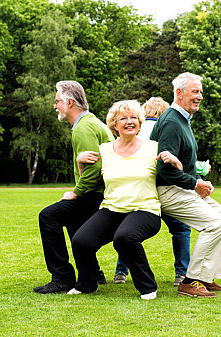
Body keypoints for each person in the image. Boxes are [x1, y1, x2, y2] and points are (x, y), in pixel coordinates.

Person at [68, 100, 181, 300]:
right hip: (112, 210)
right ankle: (87, 284)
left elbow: (174, 177)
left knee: (125, 237)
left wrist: (176, 163)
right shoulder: (104, 150)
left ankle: (148, 288)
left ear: (140, 122)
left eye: (134, 118)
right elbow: (91, 181)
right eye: (123, 118)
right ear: (114, 124)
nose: (130, 122)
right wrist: (80, 162)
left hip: (145, 211)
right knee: (81, 240)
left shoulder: (153, 148)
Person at [150, 73, 221, 298]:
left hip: (183, 188)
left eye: (200, 92)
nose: (199, 97)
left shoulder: (183, 120)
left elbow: (182, 164)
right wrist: (195, 183)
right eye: (195, 92)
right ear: (179, 93)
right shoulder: (171, 121)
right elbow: (164, 169)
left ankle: (205, 278)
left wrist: (197, 180)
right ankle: (190, 282)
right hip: (168, 191)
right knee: (215, 224)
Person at [113, 97, 210, 287]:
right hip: (167, 187)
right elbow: (179, 159)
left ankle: (121, 271)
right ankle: (182, 274)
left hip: (141, 190)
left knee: (128, 232)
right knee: (181, 229)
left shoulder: (134, 130)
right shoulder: (170, 127)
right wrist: (202, 169)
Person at [33, 80, 114, 294]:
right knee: (71, 219)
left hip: (96, 194)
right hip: (102, 192)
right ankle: (93, 272)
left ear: (69, 103)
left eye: (57, 101)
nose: (55, 105)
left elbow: (94, 170)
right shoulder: (89, 123)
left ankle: (62, 277)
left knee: (48, 216)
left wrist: (76, 192)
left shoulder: (83, 128)